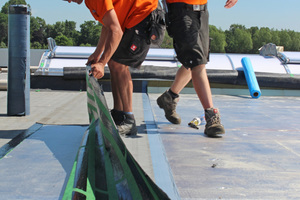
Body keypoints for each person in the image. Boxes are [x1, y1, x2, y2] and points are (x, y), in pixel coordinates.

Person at [65, 0, 162, 136]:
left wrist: (101, 63)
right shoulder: (89, 2)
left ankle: (129, 120)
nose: (69, 1)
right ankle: (118, 114)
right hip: (131, 19)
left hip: (143, 14)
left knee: (119, 65)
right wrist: (98, 54)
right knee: (113, 63)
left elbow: (115, 31)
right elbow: (108, 25)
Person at [157, 0, 238, 137]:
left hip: (201, 10)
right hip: (180, 10)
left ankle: (169, 97)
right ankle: (211, 115)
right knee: (197, 63)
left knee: (195, 61)